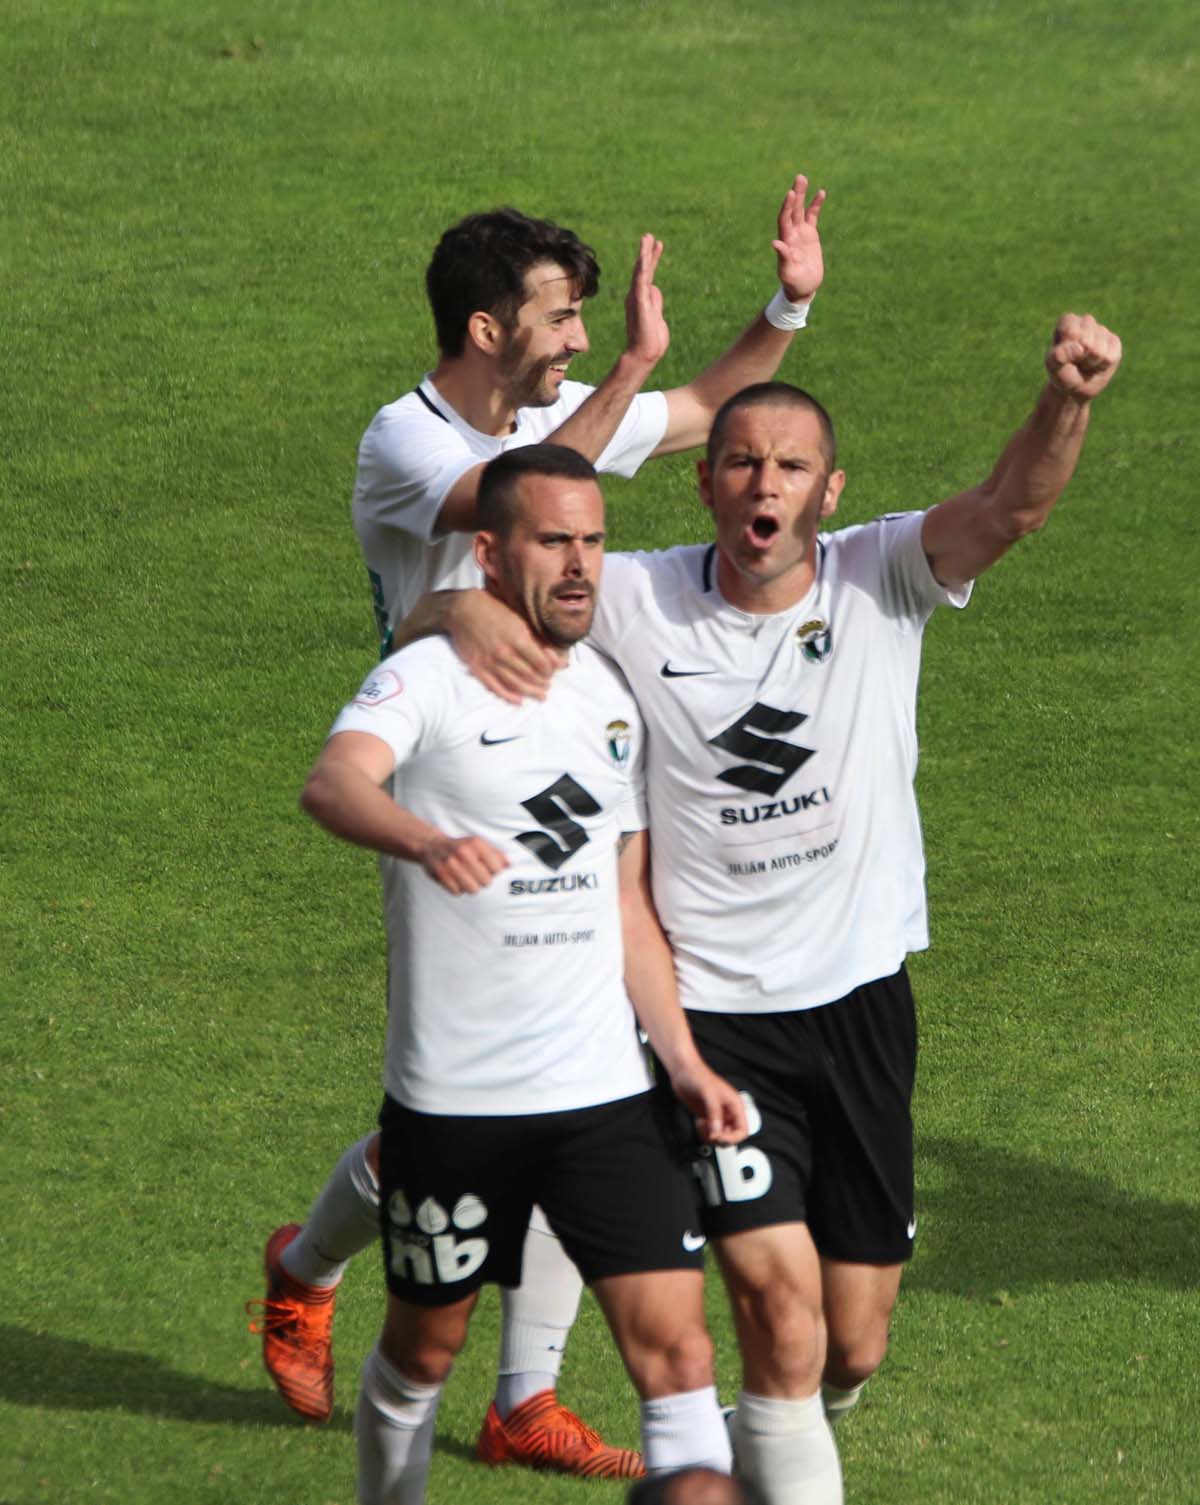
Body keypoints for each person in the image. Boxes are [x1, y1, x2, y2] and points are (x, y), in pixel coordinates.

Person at [421, 313, 1123, 1504]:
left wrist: (1069, 401)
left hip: (859, 1010)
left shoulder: (880, 572)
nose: (765, 483)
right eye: (742, 460)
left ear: (827, 488)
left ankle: (783, 1435)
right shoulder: (638, 602)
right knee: (779, 1315)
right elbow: (453, 602)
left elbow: (1011, 509)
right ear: (704, 482)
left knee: (851, 1341)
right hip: (714, 1024)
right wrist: (466, 611)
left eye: (791, 465)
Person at [249, 175, 829, 1475]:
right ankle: (307, 1263)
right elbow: (528, 492)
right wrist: (622, 372)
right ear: (483, 327)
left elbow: (695, 415)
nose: (574, 340)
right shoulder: (405, 442)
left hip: (569, 745)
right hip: (443, 763)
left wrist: (787, 303)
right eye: (559, 319)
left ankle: (527, 1396)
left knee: (589, 1068)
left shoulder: (551, 411)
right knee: (458, 1109)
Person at [298, 445, 748, 1504]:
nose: (583, 562)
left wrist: (682, 1061)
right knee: (421, 1353)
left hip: (605, 1101)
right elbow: (332, 783)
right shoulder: (423, 677)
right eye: (555, 540)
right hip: (454, 1104)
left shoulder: (609, 692)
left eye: (593, 538)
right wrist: (421, 840)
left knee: (679, 1353)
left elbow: (626, 901)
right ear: (493, 555)